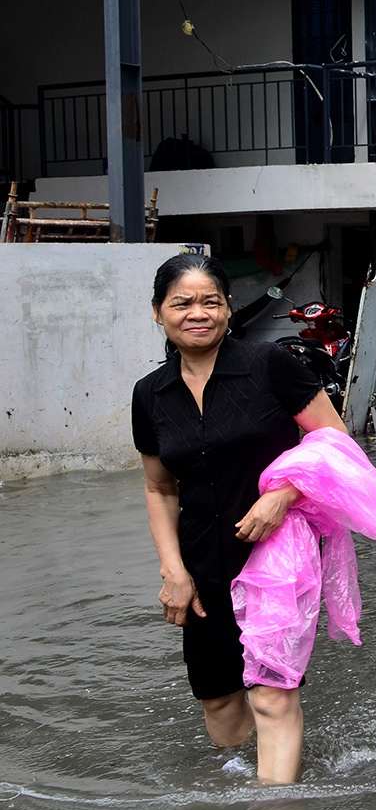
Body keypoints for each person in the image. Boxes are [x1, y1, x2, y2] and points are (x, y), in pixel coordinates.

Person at [132, 253, 346, 783]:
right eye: (181, 303)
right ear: (158, 313)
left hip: (279, 551)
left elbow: (334, 441)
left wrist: (283, 495)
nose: (197, 313)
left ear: (229, 308)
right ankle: (270, 767)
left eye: (211, 301)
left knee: (272, 695)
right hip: (201, 558)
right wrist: (173, 571)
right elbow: (159, 488)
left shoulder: (269, 365)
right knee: (220, 704)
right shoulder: (150, 394)